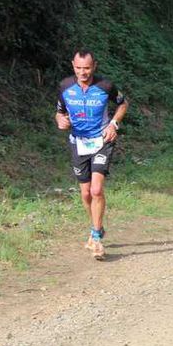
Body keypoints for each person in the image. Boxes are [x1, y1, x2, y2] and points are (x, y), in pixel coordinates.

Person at [55, 50, 129, 261]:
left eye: (86, 68)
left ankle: (96, 238)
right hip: (78, 143)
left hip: (102, 142)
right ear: (73, 66)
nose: (82, 72)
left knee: (96, 189)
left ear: (94, 66)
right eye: (78, 68)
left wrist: (114, 124)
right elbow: (59, 111)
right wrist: (60, 120)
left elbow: (123, 103)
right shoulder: (65, 87)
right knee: (86, 194)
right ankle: (95, 226)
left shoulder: (105, 86)